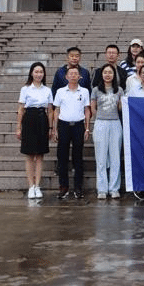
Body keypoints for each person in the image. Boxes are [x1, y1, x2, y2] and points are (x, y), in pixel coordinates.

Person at [51, 66, 91, 199]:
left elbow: (87, 110)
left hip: (78, 125)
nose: (73, 75)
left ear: (79, 76)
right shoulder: (60, 91)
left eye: (75, 73)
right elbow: (56, 110)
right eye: (71, 73)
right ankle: (63, 187)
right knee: (62, 156)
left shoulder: (84, 91)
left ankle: (78, 187)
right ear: (66, 77)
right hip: (63, 125)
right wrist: (54, 128)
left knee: (77, 157)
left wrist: (87, 128)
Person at [16, 62, 52, 199]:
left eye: (41, 72)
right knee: (30, 155)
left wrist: (50, 128)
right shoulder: (25, 89)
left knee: (40, 155)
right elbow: (21, 109)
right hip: (29, 119)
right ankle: (31, 186)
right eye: (36, 72)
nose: (38, 74)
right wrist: (18, 127)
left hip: (42, 120)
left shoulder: (47, 90)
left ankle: (37, 186)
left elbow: (50, 111)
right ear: (31, 73)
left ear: (44, 74)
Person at [91, 63, 124, 200]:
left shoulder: (119, 90)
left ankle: (114, 188)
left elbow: (120, 108)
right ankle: (102, 189)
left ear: (114, 75)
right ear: (101, 74)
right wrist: (99, 119)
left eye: (110, 72)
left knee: (115, 157)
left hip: (115, 123)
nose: (108, 75)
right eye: (105, 72)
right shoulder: (95, 90)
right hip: (101, 123)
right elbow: (93, 108)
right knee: (101, 157)